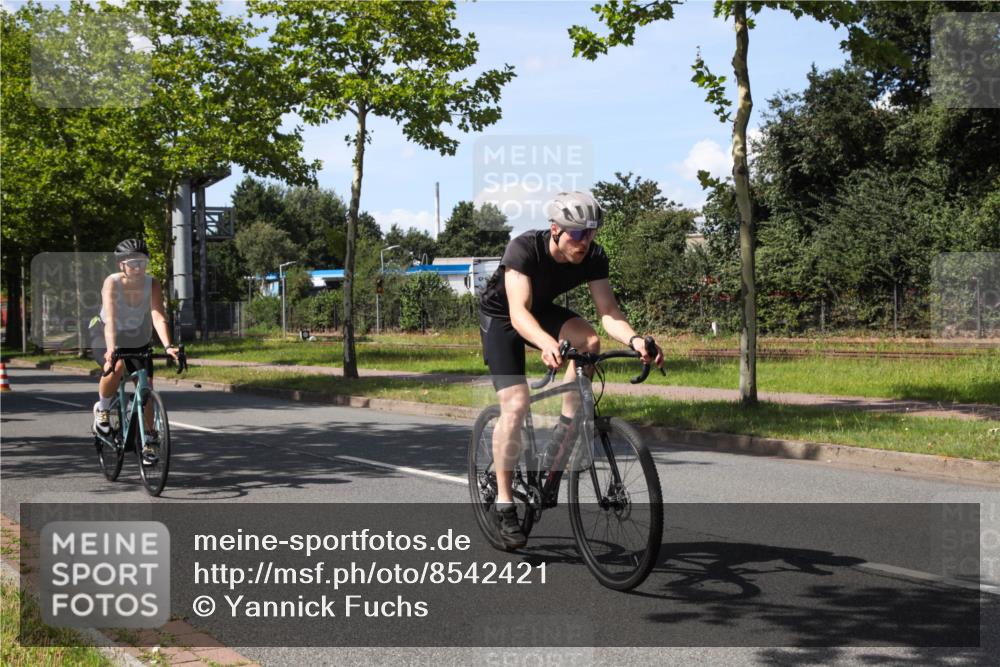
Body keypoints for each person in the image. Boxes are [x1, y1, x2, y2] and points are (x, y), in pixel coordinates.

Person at [478, 191, 664, 549]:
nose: (585, 241)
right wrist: (546, 343)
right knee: (515, 405)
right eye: (577, 234)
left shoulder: (592, 255)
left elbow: (608, 311)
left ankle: (564, 432)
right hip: (502, 316)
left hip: (542, 308)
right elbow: (518, 312)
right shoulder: (523, 249)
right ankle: (504, 503)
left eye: (591, 233)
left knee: (589, 343)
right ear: (555, 229)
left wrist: (636, 340)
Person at [92, 238, 179, 463]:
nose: (139, 267)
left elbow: (157, 315)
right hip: (105, 331)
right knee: (117, 365)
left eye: (142, 262)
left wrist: (169, 346)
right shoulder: (112, 283)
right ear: (121, 264)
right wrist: (111, 350)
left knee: (146, 388)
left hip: (135, 335)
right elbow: (110, 319)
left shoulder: (152, 283)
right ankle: (102, 410)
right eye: (133, 263)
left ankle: (149, 440)